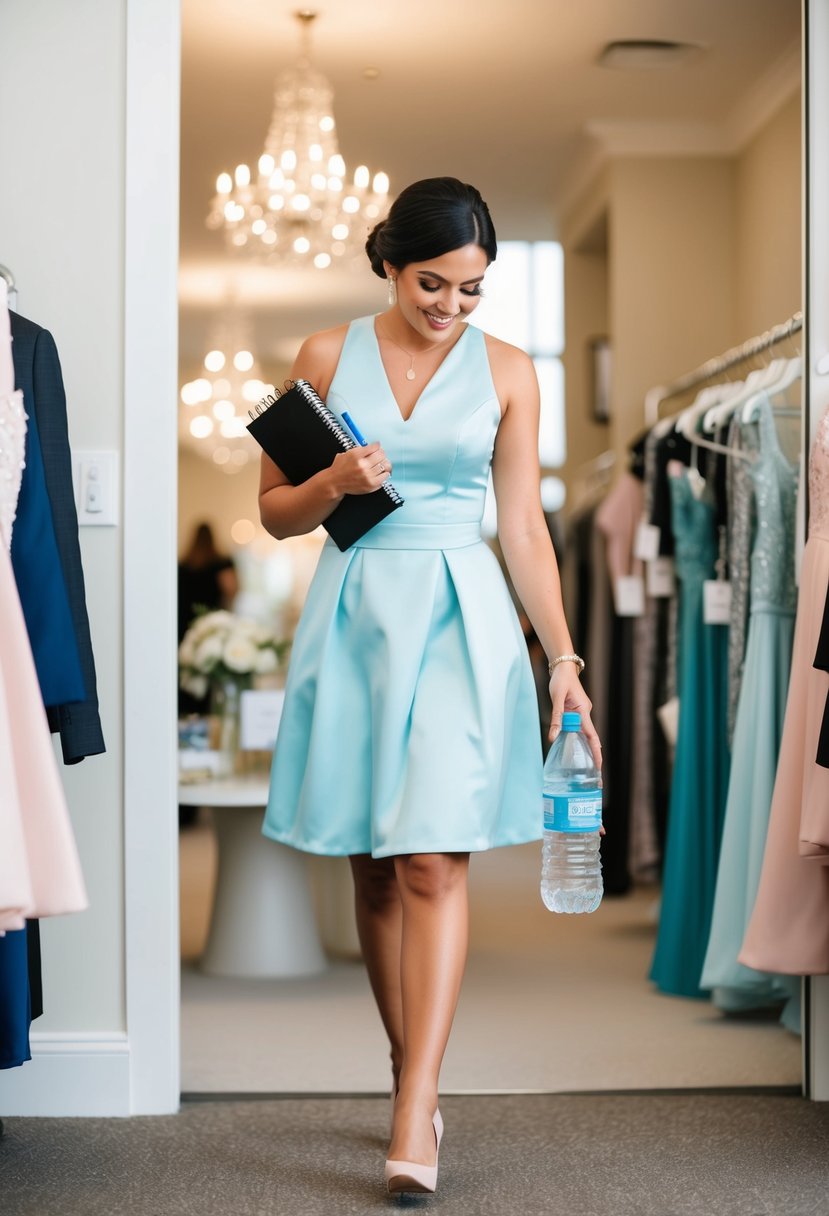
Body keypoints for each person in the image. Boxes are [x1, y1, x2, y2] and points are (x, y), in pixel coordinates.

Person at [258, 177, 601, 1195]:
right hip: (355, 611)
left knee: (430, 865)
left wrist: (566, 660)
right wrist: (334, 485)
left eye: (472, 289)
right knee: (369, 866)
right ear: (388, 262)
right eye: (430, 283)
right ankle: (407, 1069)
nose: (450, 306)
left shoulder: (508, 373)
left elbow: (525, 528)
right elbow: (278, 513)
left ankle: (416, 1107)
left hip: (460, 615)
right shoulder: (324, 354)